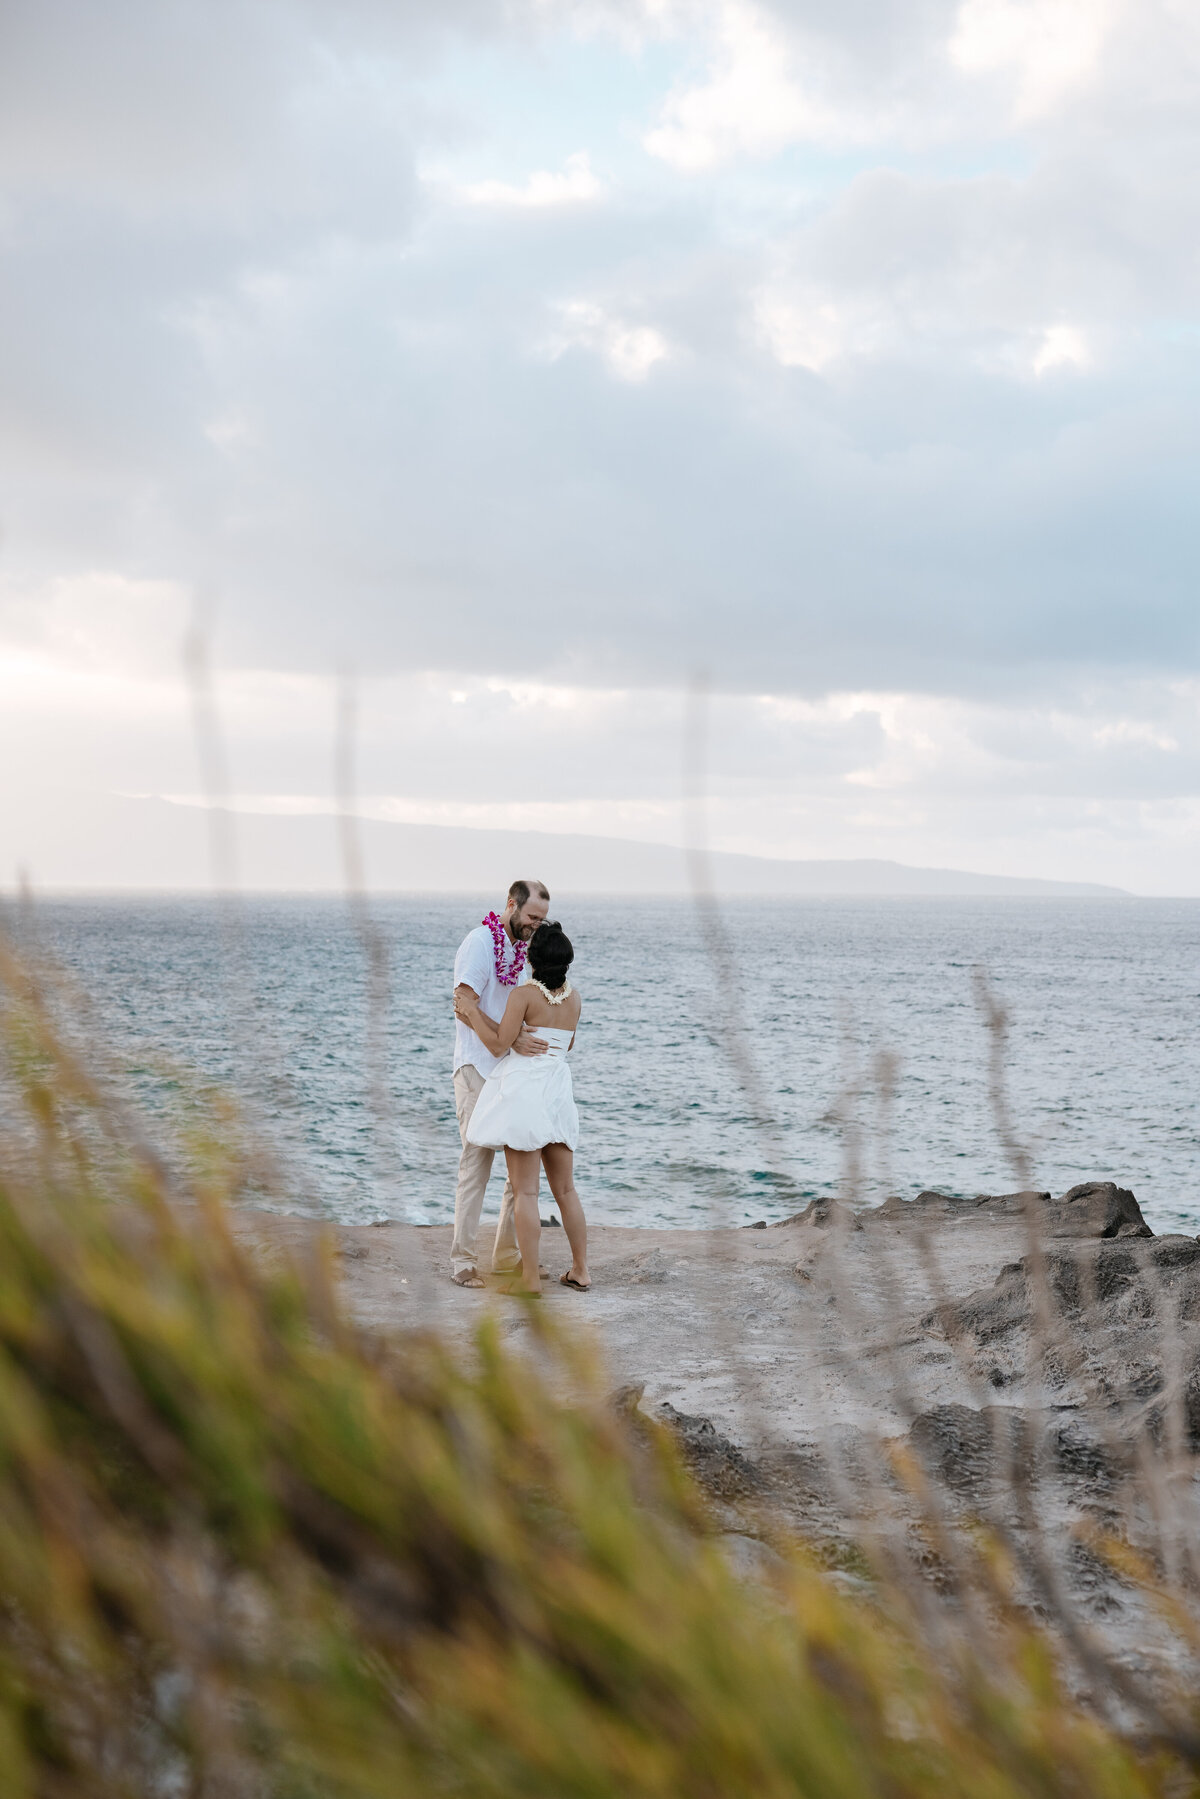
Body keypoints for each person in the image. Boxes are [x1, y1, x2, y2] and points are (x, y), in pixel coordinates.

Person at [456, 920, 589, 1298]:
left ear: (531, 959)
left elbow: (499, 1045)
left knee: (526, 1193)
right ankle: (580, 1270)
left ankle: (529, 1280)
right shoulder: (575, 999)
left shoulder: (524, 995)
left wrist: (469, 1009)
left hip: (526, 1094)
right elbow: (568, 1046)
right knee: (565, 1190)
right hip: (558, 1093)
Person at [450, 879, 550, 1288]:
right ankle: (462, 1261)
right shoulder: (479, 943)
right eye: (531, 917)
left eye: (542, 920)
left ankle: (507, 1255)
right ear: (511, 904)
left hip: (509, 1072)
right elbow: (463, 1006)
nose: (536, 926)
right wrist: (506, 1037)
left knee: (518, 1171)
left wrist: (517, 1037)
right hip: (476, 1067)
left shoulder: (520, 948)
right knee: (476, 1164)